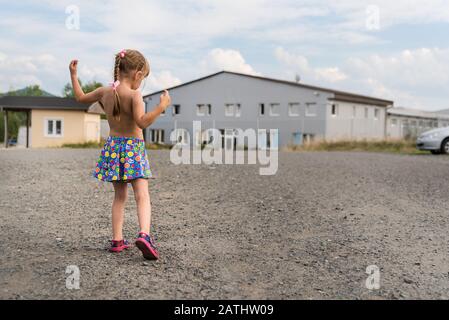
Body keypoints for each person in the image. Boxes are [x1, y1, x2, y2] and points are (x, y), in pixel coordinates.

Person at [69, 49, 171, 260]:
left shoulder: (104, 92)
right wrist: (161, 106)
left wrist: (73, 75)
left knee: (119, 197)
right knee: (142, 194)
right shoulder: (135, 95)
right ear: (138, 74)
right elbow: (142, 121)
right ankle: (144, 235)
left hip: (113, 148)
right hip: (133, 149)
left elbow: (79, 97)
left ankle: (117, 240)